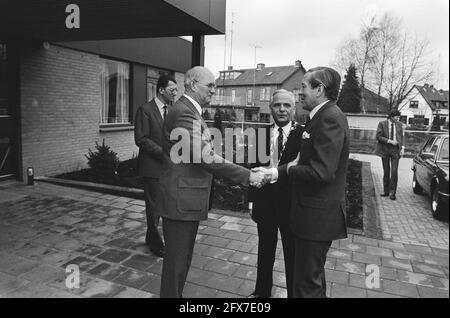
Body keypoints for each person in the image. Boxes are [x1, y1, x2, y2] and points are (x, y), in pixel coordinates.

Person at [154, 66, 266, 298]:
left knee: (181, 262)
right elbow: (205, 157)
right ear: (193, 84)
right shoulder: (184, 112)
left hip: (185, 200)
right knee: (176, 265)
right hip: (180, 201)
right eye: (211, 85)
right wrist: (248, 176)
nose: (215, 91)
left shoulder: (189, 111)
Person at [276, 66, 349, 298]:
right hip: (310, 217)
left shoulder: (329, 118)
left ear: (319, 89)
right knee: (310, 281)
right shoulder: (320, 116)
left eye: (304, 87)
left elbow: (322, 172)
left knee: (306, 286)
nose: (300, 93)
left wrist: (289, 169)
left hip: (315, 219)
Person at [247, 89, 302, 298]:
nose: (281, 109)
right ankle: (261, 293)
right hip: (265, 205)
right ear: (270, 108)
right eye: (277, 105)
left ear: (293, 108)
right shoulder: (260, 134)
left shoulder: (303, 135)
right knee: (265, 252)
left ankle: (293, 294)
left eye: (287, 105)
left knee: (293, 255)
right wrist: (251, 202)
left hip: (291, 206)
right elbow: (253, 170)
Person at [134, 74, 178, 257]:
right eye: (171, 90)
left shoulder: (172, 110)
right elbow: (141, 139)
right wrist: (164, 154)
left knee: (161, 206)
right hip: (152, 168)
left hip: (167, 168)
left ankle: (151, 237)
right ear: (161, 90)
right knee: (153, 208)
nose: (175, 93)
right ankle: (156, 244)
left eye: (176, 90)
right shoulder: (145, 110)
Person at [375, 109, 405, 200]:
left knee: (394, 171)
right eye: (397, 117)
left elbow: (403, 136)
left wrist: (403, 148)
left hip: (395, 151)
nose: (398, 119)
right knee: (386, 171)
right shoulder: (382, 123)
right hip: (385, 150)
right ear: (391, 117)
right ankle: (386, 191)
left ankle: (393, 193)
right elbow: (378, 137)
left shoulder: (400, 125)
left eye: (399, 117)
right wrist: (389, 141)